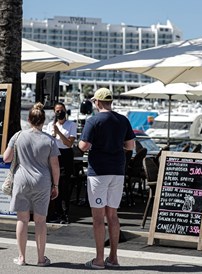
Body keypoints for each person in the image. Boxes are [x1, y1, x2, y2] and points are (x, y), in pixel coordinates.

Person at [78, 88, 135, 269]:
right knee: (113, 215)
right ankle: (114, 257)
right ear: (110, 102)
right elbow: (130, 145)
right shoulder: (123, 120)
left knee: (97, 217)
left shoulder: (93, 121)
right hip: (117, 170)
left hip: (99, 171)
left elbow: (83, 146)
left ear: (97, 102)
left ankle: (99, 259)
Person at [3, 102, 60, 266]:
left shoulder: (18, 136)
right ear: (43, 121)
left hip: (21, 181)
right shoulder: (49, 140)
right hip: (42, 181)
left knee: (22, 219)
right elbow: (55, 166)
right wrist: (55, 185)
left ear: (28, 120)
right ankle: (41, 259)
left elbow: (6, 158)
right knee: (41, 221)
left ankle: (21, 258)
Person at [45, 102, 77, 224]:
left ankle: (65, 213)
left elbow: (69, 143)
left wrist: (58, 133)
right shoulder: (50, 125)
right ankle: (55, 212)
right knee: (53, 184)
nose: (59, 113)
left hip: (65, 155)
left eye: (61, 110)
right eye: (57, 111)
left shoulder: (71, 125)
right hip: (54, 155)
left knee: (64, 185)